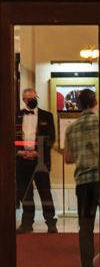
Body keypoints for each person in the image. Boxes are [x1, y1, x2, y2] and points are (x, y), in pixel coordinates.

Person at [64, 89, 100, 267]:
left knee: (85, 227)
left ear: (78, 105)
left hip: (83, 183)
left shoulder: (71, 128)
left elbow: (68, 158)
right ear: (95, 102)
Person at [15, 88, 57, 234]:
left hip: (40, 161)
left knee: (45, 192)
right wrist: (19, 152)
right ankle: (27, 223)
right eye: (29, 98)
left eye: (35, 98)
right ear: (24, 100)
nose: (33, 100)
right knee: (25, 193)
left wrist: (37, 152)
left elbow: (51, 138)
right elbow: (10, 137)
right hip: (22, 161)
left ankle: (51, 223)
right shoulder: (16, 116)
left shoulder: (47, 116)